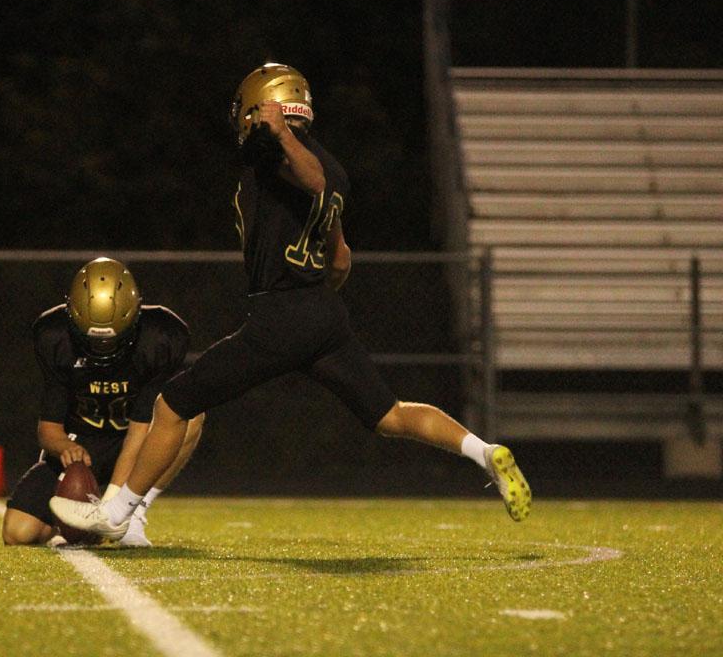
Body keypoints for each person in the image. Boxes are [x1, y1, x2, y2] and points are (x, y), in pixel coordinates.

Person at [51, 63, 531, 540]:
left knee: (173, 404)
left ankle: (117, 514)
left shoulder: (276, 153)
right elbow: (341, 258)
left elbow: (313, 181)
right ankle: (483, 451)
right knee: (391, 414)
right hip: (322, 313)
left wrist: (277, 133)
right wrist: (315, 311)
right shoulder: (337, 169)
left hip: (280, 313)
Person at [2, 256, 205, 547]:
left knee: (189, 414)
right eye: (92, 339)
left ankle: (134, 515)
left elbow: (139, 433)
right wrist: (65, 447)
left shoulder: (159, 338)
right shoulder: (54, 337)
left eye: (112, 339)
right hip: (82, 447)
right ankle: (80, 530)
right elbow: (48, 430)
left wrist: (112, 507)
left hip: (134, 446)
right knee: (17, 533)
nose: (102, 349)